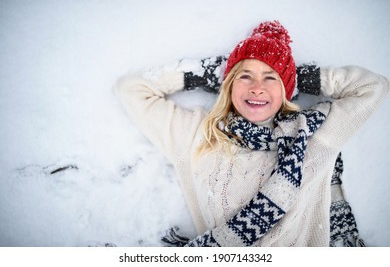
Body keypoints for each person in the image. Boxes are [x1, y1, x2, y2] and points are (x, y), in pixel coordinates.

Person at [115, 20, 389, 246]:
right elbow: (132, 89)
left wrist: (296, 75)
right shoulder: (196, 136)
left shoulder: (313, 136)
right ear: (229, 84)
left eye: (271, 77)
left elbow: (373, 87)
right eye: (245, 75)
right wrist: (208, 73)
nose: (257, 87)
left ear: (286, 91)